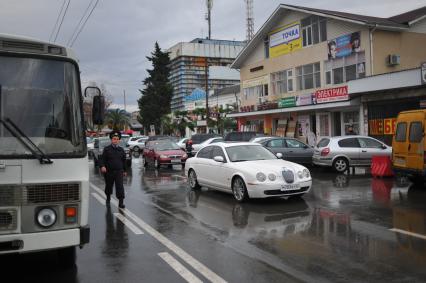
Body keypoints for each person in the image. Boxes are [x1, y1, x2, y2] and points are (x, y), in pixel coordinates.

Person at [99, 131, 127, 208]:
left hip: (119, 171)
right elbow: (102, 159)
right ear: (111, 140)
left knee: (120, 187)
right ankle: (108, 198)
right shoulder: (107, 149)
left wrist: (124, 170)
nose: (116, 140)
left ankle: (121, 202)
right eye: (114, 139)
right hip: (109, 172)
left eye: (117, 139)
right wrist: (102, 166)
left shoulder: (121, 150)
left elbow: (124, 161)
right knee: (108, 186)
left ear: (119, 140)